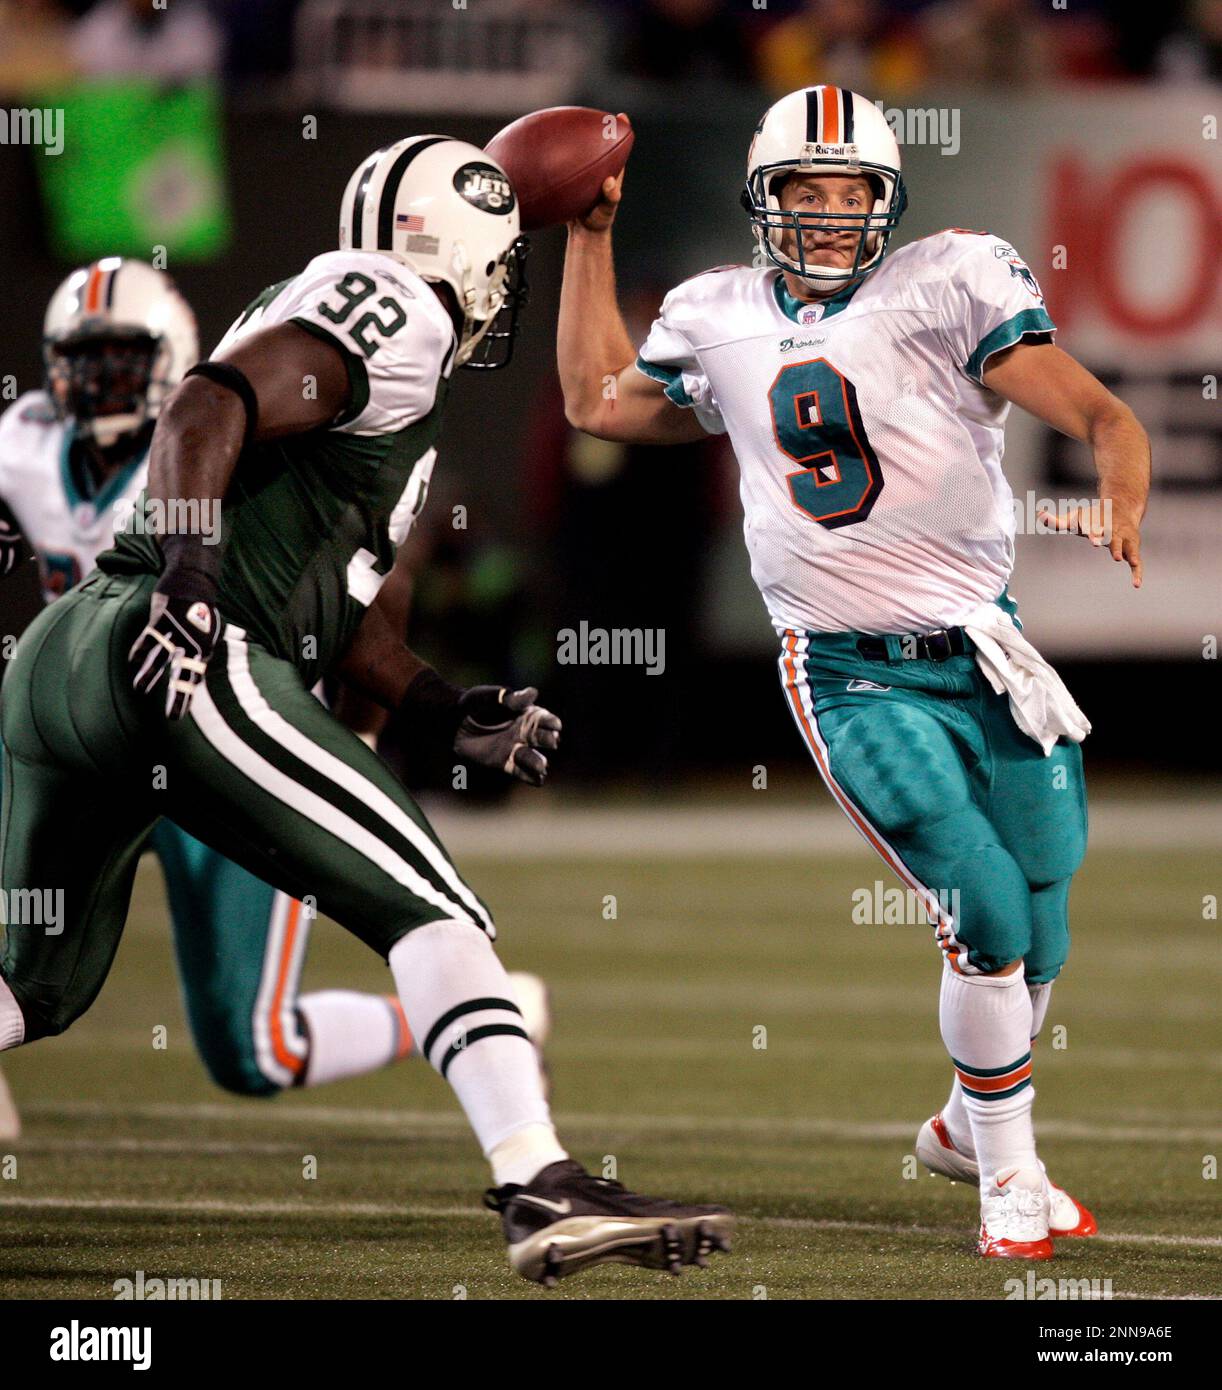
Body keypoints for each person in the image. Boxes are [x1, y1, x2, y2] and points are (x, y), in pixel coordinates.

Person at [0, 140, 733, 1284]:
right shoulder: (401, 306)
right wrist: (192, 578)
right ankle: (538, 1178)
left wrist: (440, 705)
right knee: (431, 902)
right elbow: (206, 400)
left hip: (66, 661)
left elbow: (332, 613)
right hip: (184, 642)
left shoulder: (361, 351)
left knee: (29, 983)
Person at [555, 86, 1151, 1260]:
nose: (827, 217)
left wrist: (1119, 472)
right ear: (762, 199)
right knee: (978, 906)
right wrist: (587, 236)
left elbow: (1093, 408)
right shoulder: (716, 313)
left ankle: (961, 1128)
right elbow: (595, 400)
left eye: (849, 193)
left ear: (887, 201)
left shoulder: (949, 280)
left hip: (985, 647)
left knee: (1044, 913)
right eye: (803, 193)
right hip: (845, 671)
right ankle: (1010, 1177)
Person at [0, 258, 550, 1121]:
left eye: (123, 358)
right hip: (101, 706)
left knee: (254, 1049)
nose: (103, 380)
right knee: (30, 971)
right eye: (85, 358)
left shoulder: (233, 422)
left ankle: (477, 1015)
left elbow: (370, 589)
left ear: (175, 357)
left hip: (219, 719)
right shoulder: (24, 440)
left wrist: (368, 735)